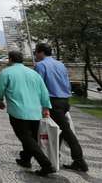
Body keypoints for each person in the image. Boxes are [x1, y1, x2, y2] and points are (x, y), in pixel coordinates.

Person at [0, 50, 55, 177]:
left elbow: (0, 88)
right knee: (31, 138)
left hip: (18, 112)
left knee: (26, 138)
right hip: (35, 112)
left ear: (10, 59)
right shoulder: (33, 73)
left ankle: (46, 164)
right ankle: (25, 160)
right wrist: (46, 107)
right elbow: (44, 91)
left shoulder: (6, 72)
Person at [34, 43, 88, 173]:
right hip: (64, 101)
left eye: (36, 52)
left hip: (52, 102)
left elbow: (38, 86)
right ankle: (55, 158)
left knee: (63, 132)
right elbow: (66, 83)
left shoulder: (41, 65)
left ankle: (79, 161)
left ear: (41, 52)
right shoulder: (60, 64)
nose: (35, 55)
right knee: (59, 131)